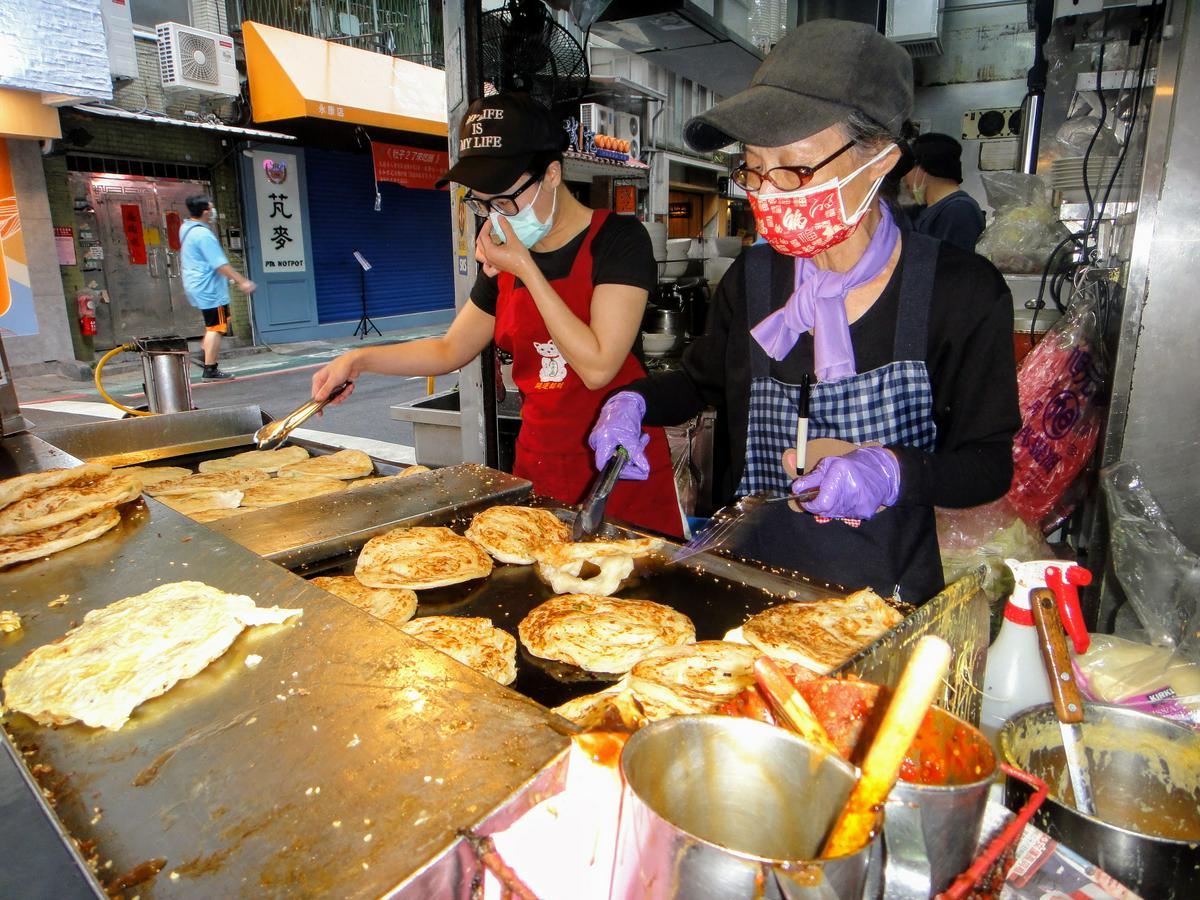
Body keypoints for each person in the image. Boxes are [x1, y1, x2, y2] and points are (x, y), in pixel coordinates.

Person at [588, 20, 1020, 603]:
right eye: (753, 169)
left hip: (885, 604)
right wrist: (633, 401)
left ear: (881, 160)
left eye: (794, 169)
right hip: (747, 585)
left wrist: (891, 472)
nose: (769, 193)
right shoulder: (756, 278)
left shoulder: (960, 292)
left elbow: (987, 464)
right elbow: (701, 382)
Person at [311, 93, 683, 537]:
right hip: (542, 465)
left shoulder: (619, 240)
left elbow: (599, 366)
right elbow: (451, 348)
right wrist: (359, 360)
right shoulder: (503, 261)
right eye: (482, 202)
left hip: (619, 472)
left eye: (504, 201)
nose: (494, 216)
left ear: (551, 174)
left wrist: (526, 267)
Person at [179, 195, 255, 380]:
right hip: (210, 289)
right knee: (216, 328)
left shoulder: (186, 228)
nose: (213, 212)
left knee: (213, 324)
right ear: (206, 212)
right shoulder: (203, 235)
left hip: (197, 285)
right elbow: (220, 264)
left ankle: (205, 351)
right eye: (211, 208)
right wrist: (242, 281)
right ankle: (210, 368)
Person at [903, 133, 986, 252]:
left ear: (922, 168)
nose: (904, 177)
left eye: (907, 168)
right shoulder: (924, 210)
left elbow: (948, 265)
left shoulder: (959, 210)